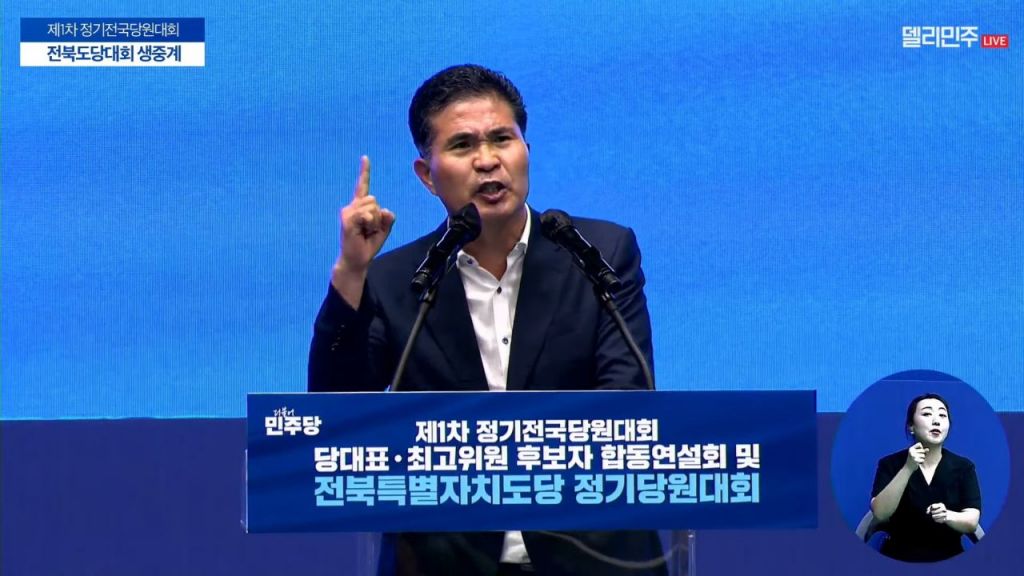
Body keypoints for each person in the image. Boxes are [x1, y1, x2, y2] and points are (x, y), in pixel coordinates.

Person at [308, 64, 665, 576]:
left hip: (594, 557)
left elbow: (626, 399)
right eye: (462, 145)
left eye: (503, 138)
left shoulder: (598, 253)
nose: (487, 160)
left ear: (526, 151)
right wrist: (351, 273)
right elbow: (334, 417)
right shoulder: (396, 279)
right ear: (427, 175)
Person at [869, 393, 982, 562]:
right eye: (927, 414)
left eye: (942, 415)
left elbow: (972, 521)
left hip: (949, 558)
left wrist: (947, 515)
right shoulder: (890, 464)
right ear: (911, 426)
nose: (936, 421)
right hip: (899, 558)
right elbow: (880, 513)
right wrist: (908, 468)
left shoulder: (963, 467)